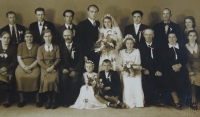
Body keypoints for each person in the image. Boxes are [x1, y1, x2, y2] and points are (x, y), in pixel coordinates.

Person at [161, 32, 189, 110]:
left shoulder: (181, 47)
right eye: (170, 37)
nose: (172, 39)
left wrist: (179, 65)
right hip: (169, 68)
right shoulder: (164, 48)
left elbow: (185, 58)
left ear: (176, 38)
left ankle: (181, 99)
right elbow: (164, 60)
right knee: (170, 79)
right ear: (167, 39)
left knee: (182, 79)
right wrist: (173, 66)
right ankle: (176, 101)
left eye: (173, 37)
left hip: (181, 67)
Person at [138, 28, 164, 107]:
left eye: (150, 35)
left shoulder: (158, 45)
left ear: (153, 35)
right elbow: (139, 60)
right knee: (147, 80)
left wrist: (159, 70)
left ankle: (157, 100)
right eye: (146, 35)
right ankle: (148, 100)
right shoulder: (140, 46)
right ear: (144, 35)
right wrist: (144, 69)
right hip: (146, 69)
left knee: (160, 79)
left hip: (156, 69)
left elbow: (162, 59)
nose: (148, 37)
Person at [15, 31, 41, 108]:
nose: (29, 38)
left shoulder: (37, 46)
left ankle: (38, 100)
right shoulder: (21, 45)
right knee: (19, 76)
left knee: (36, 76)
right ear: (24, 38)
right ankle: (22, 100)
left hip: (34, 65)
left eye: (31, 36)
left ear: (33, 38)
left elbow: (38, 59)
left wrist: (30, 67)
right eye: (27, 37)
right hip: (22, 65)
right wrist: (25, 67)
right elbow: (19, 58)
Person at [59, 29, 84, 107]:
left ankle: (73, 99)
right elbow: (58, 60)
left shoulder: (78, 46)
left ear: (72, 35)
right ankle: (65, 100)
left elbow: (81, 60)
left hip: (75, 69)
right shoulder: (60, 46)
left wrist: (75, 70)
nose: (67, 37)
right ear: (63, 36)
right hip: (65, 69)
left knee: (75, 80)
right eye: (65, 36)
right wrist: (63, 69)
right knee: (64, 79)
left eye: (69, 35)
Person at [119, 34, 144, 108]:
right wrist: (125, 69)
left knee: (137, 83)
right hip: (125, 72)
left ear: (133, 43)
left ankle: (138, 102)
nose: (129, 45)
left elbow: (138, 62)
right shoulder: (122, 52)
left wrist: (132, 69)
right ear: (125, 44)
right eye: (127, 43)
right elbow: (120, 63)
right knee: (127, 85)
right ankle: (129, 102)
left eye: (131, 43)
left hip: (135, 71)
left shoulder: (137, 51)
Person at [37, 29, 60, 109]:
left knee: (54, 80)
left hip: (54, 67)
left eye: (49, 36)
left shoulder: (56, 47)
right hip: (44, 68)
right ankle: (48, 100)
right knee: (46, 81)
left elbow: (58, 59)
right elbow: (40, 61)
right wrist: (47, 68)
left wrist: (52, 67)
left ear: (52, 36)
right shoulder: (40, 48)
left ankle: (54, 101)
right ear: (43, 37)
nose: (48, 38)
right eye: (46, 36)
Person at [77, 5, 100, 72]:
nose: (94, 14)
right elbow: (79, 41)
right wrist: (84, 55)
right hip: (86, 53)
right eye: (92, 11)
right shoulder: (82, 24)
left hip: (97, 53)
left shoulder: (98, 24)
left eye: (95, 12)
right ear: (88, 12)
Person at [0, 31, 17, 108]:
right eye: (4, 38)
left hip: (9, 67)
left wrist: (6, 68)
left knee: (8, 78)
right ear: (0, 38)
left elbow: (14, 61)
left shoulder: (13, 48)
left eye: (8, 38)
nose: (6, 40)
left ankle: (7, 99)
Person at [185, 30, 199, 110]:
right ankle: (193, 101)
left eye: (194, 36)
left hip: (198, 68)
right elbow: (185, 61)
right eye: (190, 35)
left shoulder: (199, 46)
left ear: (196, 37)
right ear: (188, 37)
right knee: (193, 79)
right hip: (189, 69)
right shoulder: (185, 47)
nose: (192, 38)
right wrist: (189, 70)